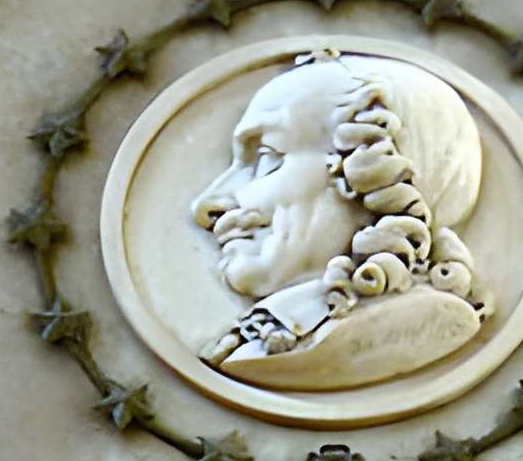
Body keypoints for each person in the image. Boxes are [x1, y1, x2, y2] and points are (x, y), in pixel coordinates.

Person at [190, 47, 492, 392]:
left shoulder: (415, 324)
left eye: (266, 155)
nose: (207, 204)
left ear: (366, 174)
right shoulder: (265, 331)